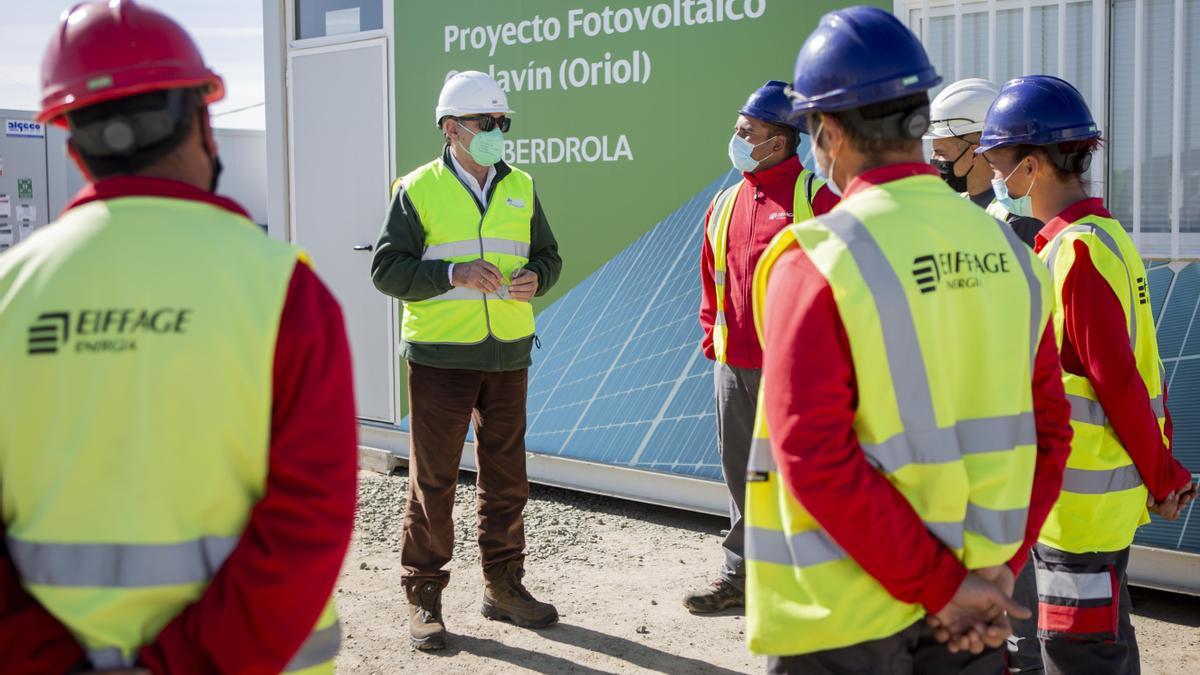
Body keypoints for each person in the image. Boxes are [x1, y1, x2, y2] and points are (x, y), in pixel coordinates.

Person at [0, 1, 356, 672]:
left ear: (74, 148)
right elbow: (310, 517)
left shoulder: (9, 294)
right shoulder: (284, 292)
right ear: (204, 121)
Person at [742, 7, 1075, 673]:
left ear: (828, 132)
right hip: (975, 609)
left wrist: (946, 589)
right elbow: (1050, 432)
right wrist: (995, 575)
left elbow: (814, 455)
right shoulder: (1013, 254)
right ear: (921, 120)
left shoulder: (818, 257)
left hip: (845, 623)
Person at [978, 75, 1197, 675]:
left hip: (1079, 513)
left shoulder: (1074, 254)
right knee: (1098, 642)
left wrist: (1164, 474)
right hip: (1085, 506)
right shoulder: (1103, 238)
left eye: (997, 161)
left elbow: (1120, 382)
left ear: (1031, 166)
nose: (994, 177)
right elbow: (1143, 369)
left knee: (1079, 654)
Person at [371, 70, 563, 650]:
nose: (497, 132)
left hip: (507, 354)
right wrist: (450, 274)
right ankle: (424, 596)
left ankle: (503, 588)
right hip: (440, 359)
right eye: (487, 123)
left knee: (507, 479)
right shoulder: (417, 188)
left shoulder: (521, 186)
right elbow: (386, 270)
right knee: (434, 482)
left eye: (503, 123)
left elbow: (549, 256)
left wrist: (538, 278)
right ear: (451, 128)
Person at [688, 80, 838, 614]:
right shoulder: (725, 202)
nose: (737, 140)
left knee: (801, 476)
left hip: (796, 373)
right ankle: (741, 577)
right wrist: (713, 337)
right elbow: (712, 276)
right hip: (733, 366)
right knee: (739, 474)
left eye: (746, 132)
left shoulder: (817, 200)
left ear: (778, 140)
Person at [925, 78, 1042, 247]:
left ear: (976, 151)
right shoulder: (954, 208)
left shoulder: (1017, 217)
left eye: (940, 152)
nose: (934, 160)